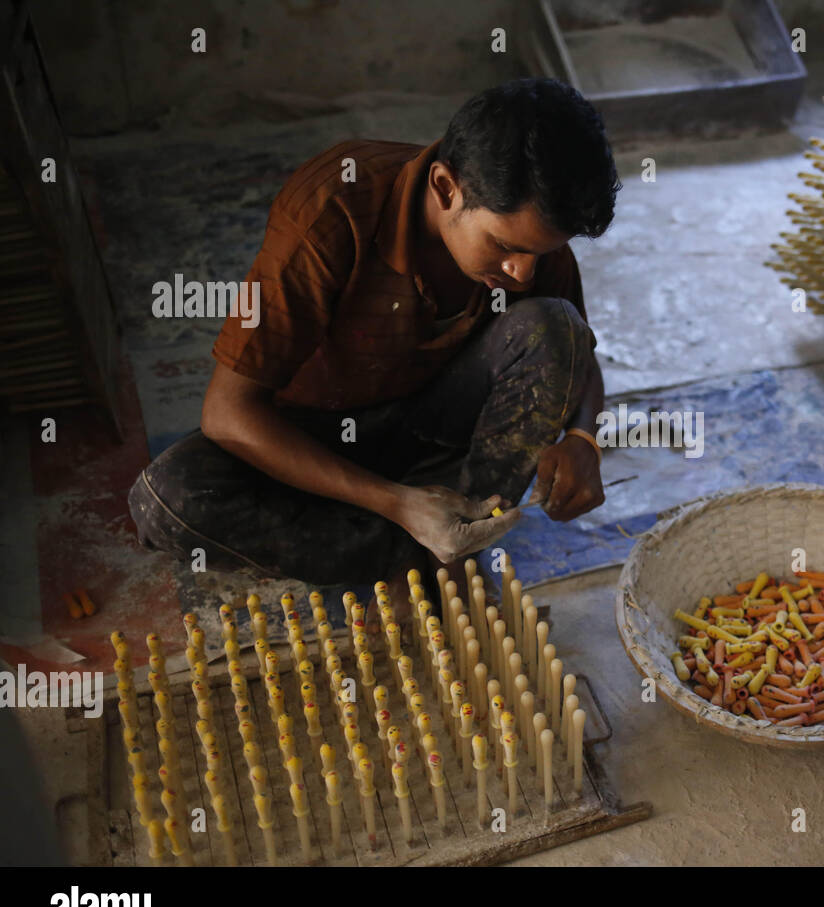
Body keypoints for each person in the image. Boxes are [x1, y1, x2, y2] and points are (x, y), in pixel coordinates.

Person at [128, 78, 620, 594]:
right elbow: (227, 412)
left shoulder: (529, 240)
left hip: (434, 426)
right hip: (313, 438)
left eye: (539, 253)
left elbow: (574, 349)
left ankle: (454, 537)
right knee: (168, 499)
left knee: (553, 325)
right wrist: (396, 503)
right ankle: (415, 552)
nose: (522, 272)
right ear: (445, 188)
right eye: (502, 246)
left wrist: (584, 437)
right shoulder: (332, 208)